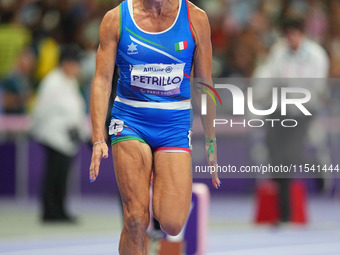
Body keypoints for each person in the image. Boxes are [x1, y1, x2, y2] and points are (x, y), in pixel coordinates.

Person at [89, 0, 220, 254]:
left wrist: (211, 141)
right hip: (130, 122)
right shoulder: (116, 19)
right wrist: (98, 138)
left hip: (174, 125)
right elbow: (102, 81)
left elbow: (204, 83)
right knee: (136, 219)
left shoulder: (196, 19)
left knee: (172, 223)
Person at [254, 16, 329, 223]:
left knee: (289, 156)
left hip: (303, 111)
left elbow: (317, 88)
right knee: (273, 152)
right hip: (279, 109)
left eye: (293, 34)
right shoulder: (279, 52)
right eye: (287, 35)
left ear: (301, 34)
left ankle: (286, 212)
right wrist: (258, 94)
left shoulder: (316, 55)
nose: (290, 39)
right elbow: (269, 75)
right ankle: (283, 211)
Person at [31, 45, 88, 223]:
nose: (77, 68)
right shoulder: (52, 82)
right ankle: (50, 211)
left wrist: (83, 133)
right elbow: (41, 111)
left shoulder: (70, 82)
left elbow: (75, 111)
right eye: (75, 64)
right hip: (53, 137)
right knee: (53, 175)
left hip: (67, 139)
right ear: (66, 63)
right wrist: (42, 132)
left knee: (62, 177)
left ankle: (60, 210)